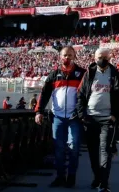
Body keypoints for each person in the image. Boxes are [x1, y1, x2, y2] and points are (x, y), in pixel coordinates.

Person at [35, 46, 86, 188]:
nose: (67, 58)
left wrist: (82, 112)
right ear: (60, 57)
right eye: (64, 55)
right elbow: (44, 94)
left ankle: (71, 176)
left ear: (74, 56)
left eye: (70, 55)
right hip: (57, 117)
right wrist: (39, 111)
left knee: (74, 146)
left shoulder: (82, 74)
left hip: (74, 118)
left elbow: (87, 95)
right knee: (58, 148)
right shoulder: (53, 75)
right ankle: (60, 177)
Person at [77, 48, 119, 192]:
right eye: (100, 56)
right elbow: (80, 95)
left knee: (105, 151)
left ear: (110, 57)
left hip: (107, 119)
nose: (102, 59)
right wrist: (82, 115)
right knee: (93, 152)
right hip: (90, 118)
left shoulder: (116, 74)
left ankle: (104, 184)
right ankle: (97, 178)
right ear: (94, 57)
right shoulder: (89, 74)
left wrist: (115, 115)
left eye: (105, 56)